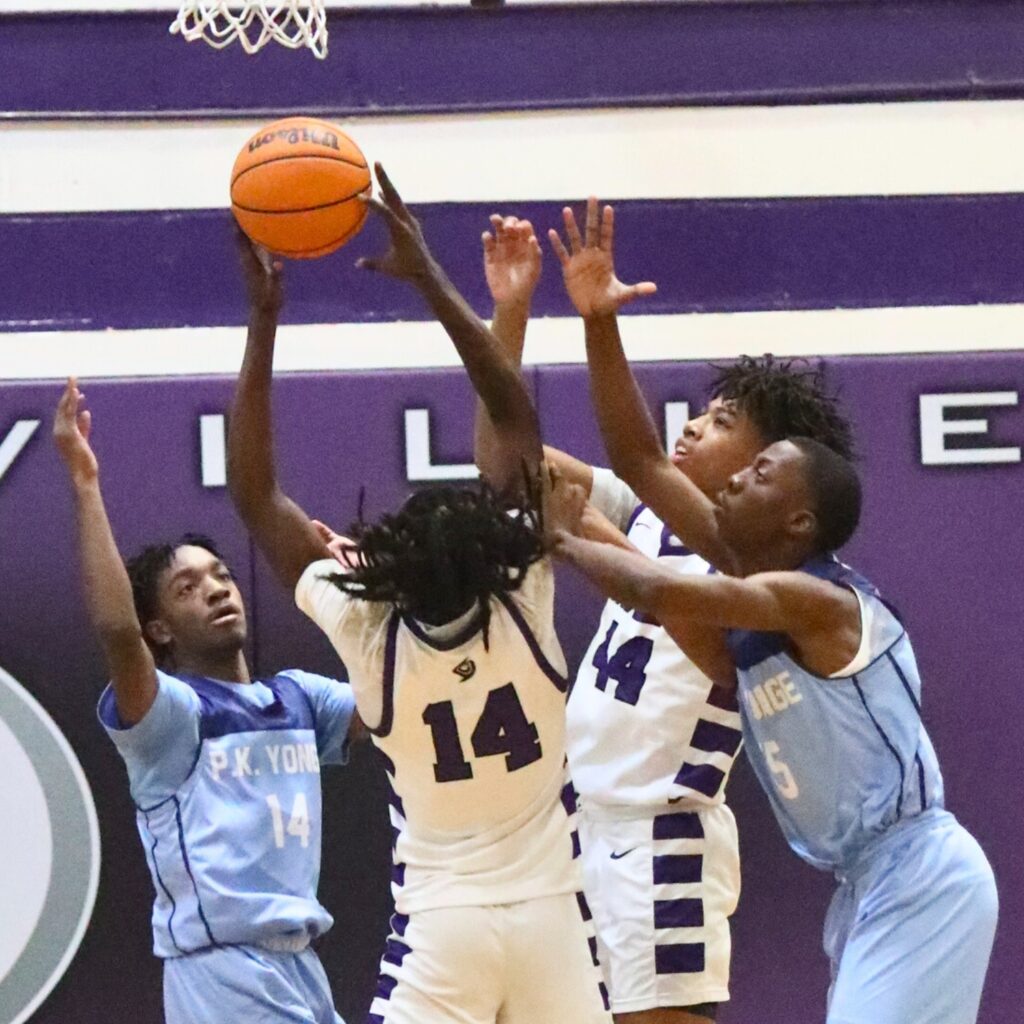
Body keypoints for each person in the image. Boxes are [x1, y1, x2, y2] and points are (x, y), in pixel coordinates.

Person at [227, 164, 612, 1024]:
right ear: (490, 558)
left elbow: (254, 495)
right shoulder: (523, 592)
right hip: (554, 918)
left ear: (391, 573)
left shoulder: (369, 624)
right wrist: (431, 279)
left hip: (444, 926)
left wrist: (263, 319)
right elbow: (513, 418)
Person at [476, 208, 853, 1023]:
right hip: (575, 826)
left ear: (773, 468)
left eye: (723, 423)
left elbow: (695, 632)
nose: (695, 425)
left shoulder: (766, 571)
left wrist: (579, 527)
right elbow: (509, 462)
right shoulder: (647, 513)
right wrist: (509, 317)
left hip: (662, 835)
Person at [550, 436, 999, 1024]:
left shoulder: (819, 600)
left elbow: (656, 589)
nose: (736, 478)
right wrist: (579, 516)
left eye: (760, 472)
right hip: (861, 880)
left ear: (799, 520)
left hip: (919, 868)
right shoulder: (750, 641)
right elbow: (643, 466)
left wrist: (565, 536)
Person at [53, 380, 361, 1024]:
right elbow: (117, 632)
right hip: (221, 972)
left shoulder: (300, 698)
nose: (217, 590)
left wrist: (369, 594)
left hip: (303, 965)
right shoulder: (172, 719)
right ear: (160, 628)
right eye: (188, 588)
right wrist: (85, 485)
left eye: (221, 575)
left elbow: (402, 699)